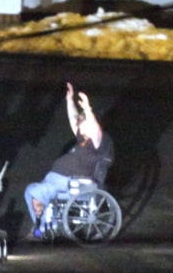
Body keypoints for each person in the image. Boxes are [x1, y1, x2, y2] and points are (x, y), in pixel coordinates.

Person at [23, 83, 113, 236]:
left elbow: (96, 130)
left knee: (36, 193)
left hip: (70, 181)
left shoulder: (97, 143)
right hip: (56, 179)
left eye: (83, 125)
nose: (80, 128)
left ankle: (43, 229)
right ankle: (44, 226)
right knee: (29, 190)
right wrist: (69, 100)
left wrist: (88, 109)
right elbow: (73, 119)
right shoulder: (83, 139)